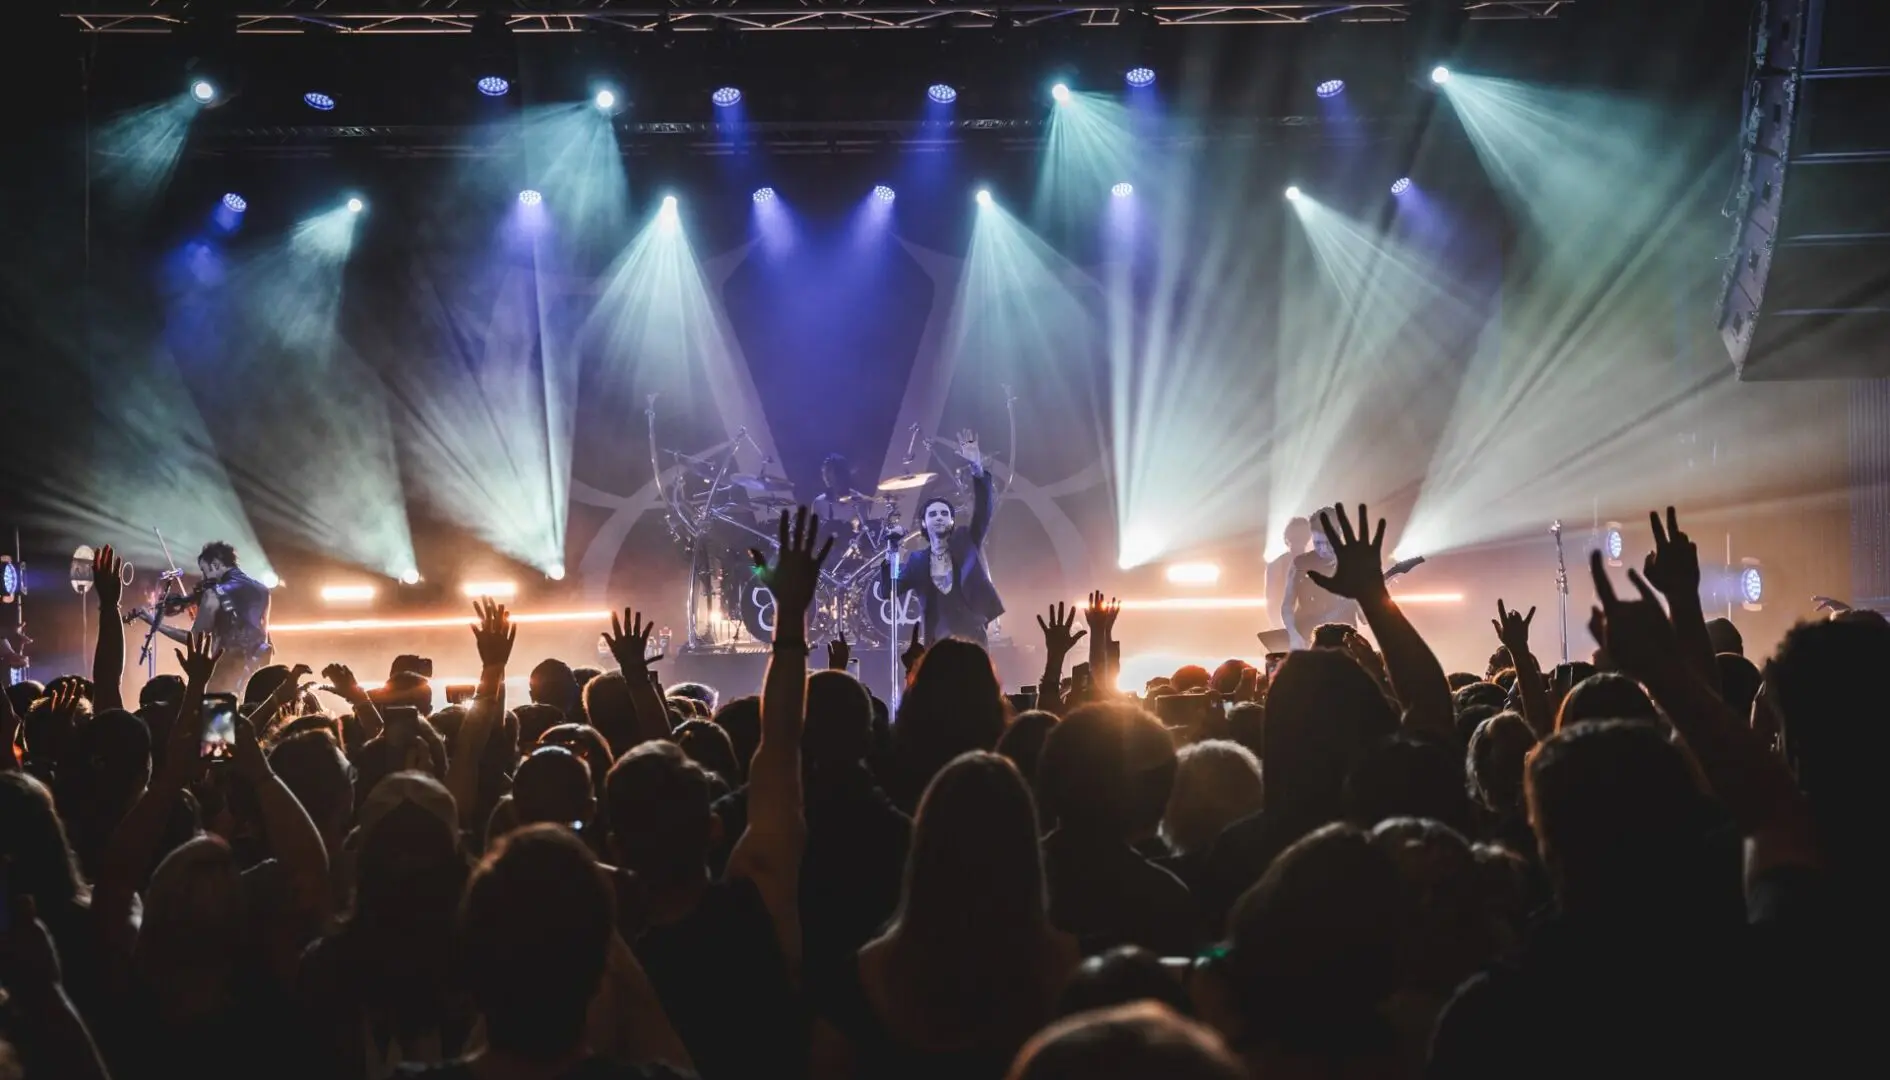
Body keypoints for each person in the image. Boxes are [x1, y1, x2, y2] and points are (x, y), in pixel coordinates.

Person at [883, 431, 1003, 649]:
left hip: (972, 637)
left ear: (951, 522)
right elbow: (888, 591)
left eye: (944, 514)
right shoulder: (917, 560)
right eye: (933, 514)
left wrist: (977, 468)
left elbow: (983, 512)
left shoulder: (966, 541)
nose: (939, 517)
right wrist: (891, 554)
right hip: (936, 643)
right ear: (924, 524)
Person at [128, 541, 272, 694]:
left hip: (224, 678)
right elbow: (264, 635)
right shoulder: (263, 590)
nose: (204, 578)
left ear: (216, 565)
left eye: (204, 571)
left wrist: (154, 623)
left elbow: (194, 639)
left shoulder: (213, 594)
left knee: (218, 717)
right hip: (256, 677)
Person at [1264, 517, 1313, 634]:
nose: (1298, 542)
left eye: (1301, 537)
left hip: (1309, 627)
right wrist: (1279, 627)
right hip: (1285, 626)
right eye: (1295, 537)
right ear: (1288, 537)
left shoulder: (1316, 563)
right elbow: (1271, 601)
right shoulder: (1276, 566)